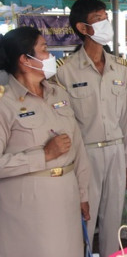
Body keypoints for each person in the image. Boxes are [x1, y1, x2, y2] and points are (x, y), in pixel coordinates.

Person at [0, 26, 90, 256]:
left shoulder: (57, 94)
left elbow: (77, 146)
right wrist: (44, 155)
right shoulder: (5, 102)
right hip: (28, 206)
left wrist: (83, 194)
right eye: (44, 50)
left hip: (67, 198)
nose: (51, 56)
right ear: (25, 59)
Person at [56, 0, 127, 257]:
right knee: (84, 221)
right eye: (99, 19)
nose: (106, 24)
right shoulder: (65, 71)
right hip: (84, 155)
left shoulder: (120, 68)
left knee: (114, 220)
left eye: (106, 18)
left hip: (115, 151)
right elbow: (63, 124)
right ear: (83, 28)